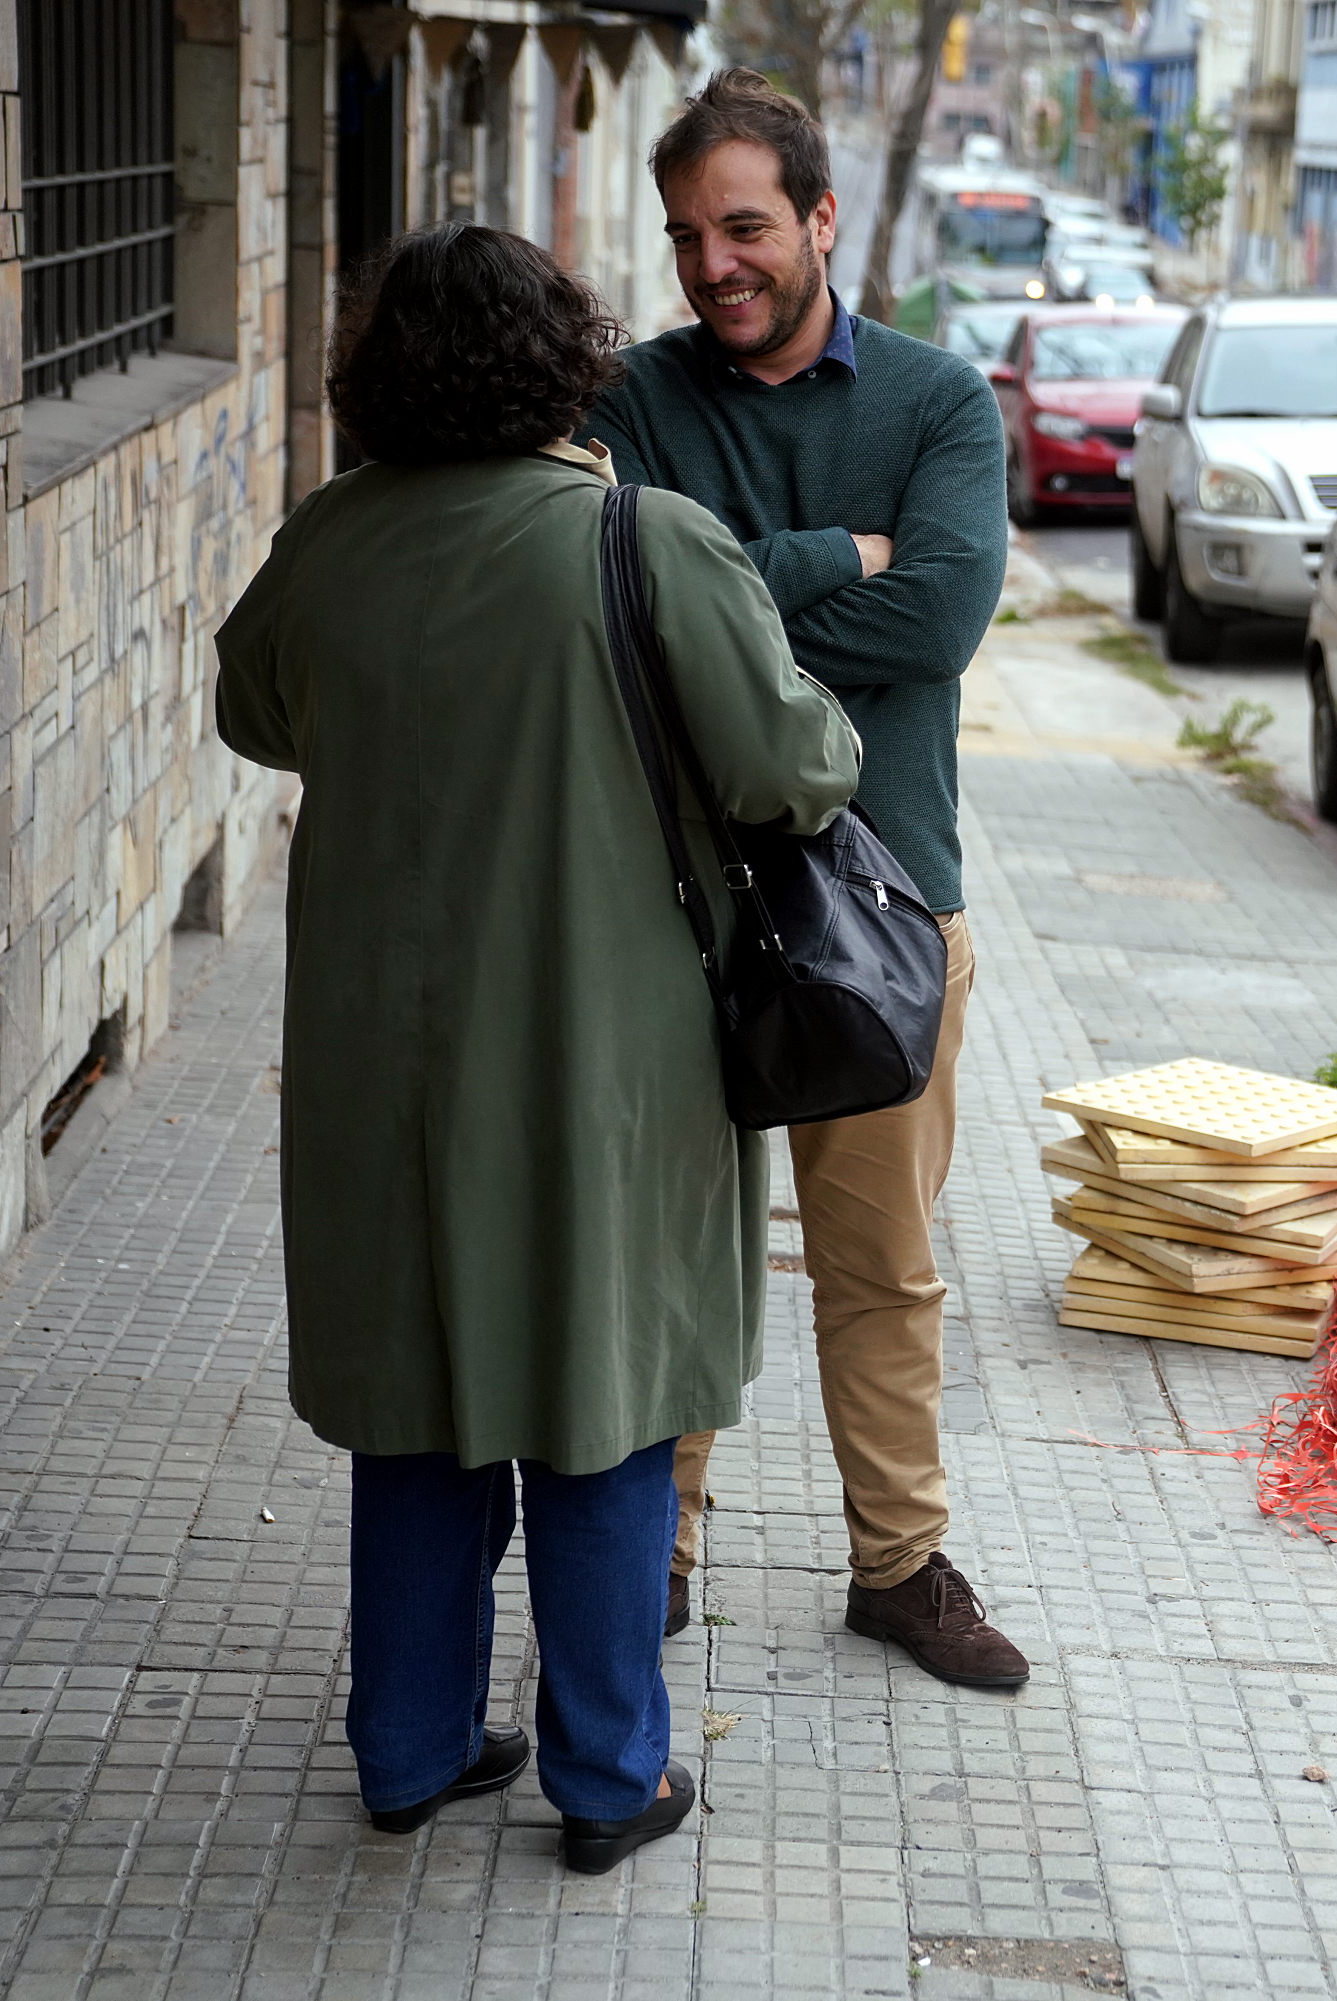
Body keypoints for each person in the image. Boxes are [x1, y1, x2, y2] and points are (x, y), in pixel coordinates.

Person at [215, 224, 862, 1870]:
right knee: (604, 1395)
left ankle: (414, 1744)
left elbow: (254, 711)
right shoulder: (645, 540)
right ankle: (605, 1776)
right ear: (563, 357)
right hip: (601, 1058)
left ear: (382, 375)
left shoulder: (329, 541)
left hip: (380, 1058)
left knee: (418, 1397)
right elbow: (796, 771)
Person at [582, 70, 1026, 1690]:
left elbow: (945, 623)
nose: (716, 264)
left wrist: (722, 602)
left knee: (883, 1268)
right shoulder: (629, 398)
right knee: (671, 1251)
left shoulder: (938, 403)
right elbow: (616, 607)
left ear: (822, 219)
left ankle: (898, 1567)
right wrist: (848, 555)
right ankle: (661, 1547)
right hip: (673, 904)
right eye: (690, 234)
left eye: (747, 225)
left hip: (887, 914)